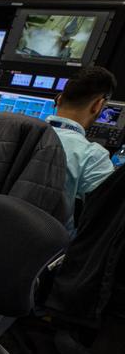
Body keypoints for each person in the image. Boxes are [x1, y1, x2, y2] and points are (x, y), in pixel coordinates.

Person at [47, 65, 118, 236]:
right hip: (50, 251)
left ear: (59, 98)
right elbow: (109, 216)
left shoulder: (19, 132)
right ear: (98, 105)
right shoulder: (91, 155)